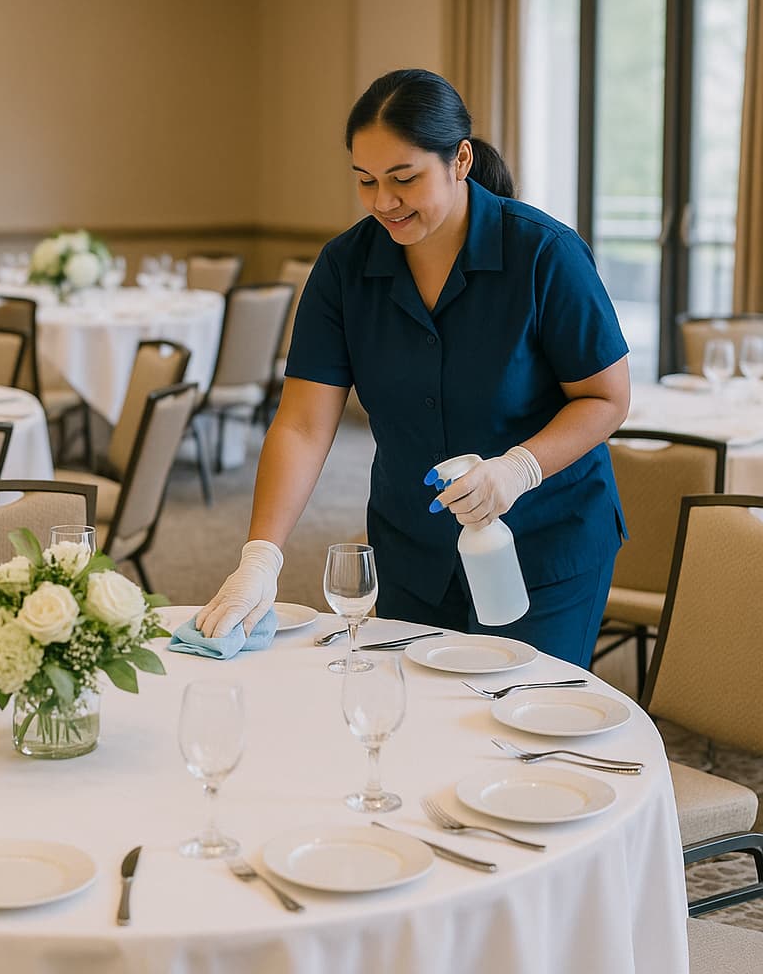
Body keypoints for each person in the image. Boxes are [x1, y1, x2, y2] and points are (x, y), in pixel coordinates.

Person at [196, 69, 629, 668]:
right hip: (413, 548)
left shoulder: (543, 253)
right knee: (417, 725)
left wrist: (517, 470)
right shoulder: (345, 268)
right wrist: (261, 556)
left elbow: (607, 398)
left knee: (525, 724)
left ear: (460, 160)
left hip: (544, 539)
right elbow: (302, 424)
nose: (383, 202)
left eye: (404, 179)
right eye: (366, 181)